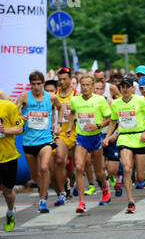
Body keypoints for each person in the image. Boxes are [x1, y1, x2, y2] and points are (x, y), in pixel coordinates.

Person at [103, 77, 145, 213]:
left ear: (132, 88)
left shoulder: (139, 100)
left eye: (127, 86)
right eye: (123, 87)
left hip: (140, 138)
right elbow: (113, 121)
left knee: (140, 176)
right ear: (120, 89)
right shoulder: (116, 104)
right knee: (127, 169)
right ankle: (130, 201)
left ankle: (141, 178)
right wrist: (108, 136)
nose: (125, 89)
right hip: (124, 139)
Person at [16, 71, 64, 212]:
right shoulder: (25, 96)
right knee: (36, 176)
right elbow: (15, 110)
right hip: (28, 141)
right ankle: (43, 188)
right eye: (33, 84)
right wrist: (20, 117)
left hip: (45, 139)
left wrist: (59, 124)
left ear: (43, 83)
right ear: (30, 84)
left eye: (39, 84)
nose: (36, 87)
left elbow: (60, 107)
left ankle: (42, 200)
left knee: (44, 168)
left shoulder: (51, 97)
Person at [67, 75, 112, 213]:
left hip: (96, 137)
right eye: (83, 85)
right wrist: (70, 127)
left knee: (99, 172)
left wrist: (97, 125)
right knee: (79, 167)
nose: (85, 87)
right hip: (81, 138)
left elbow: (109, 118)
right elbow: (72, 113)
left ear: (92, 86)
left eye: (88, 85)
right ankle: (81, 202)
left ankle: (105, 189)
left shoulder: (100, 100)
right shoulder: (75, 100)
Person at [54, 67, 78, 202]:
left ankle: (72, 180)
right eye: (60, 79)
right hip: (61, 133)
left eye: (64, 79)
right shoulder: (55, 96)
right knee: (59, 160)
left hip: (76, 132)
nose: (62, 82)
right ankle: (62, 191)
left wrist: (74, 116)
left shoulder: (76, 94)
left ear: (70, 79)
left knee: (76, 164)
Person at [0, 99, 25, 232]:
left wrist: (5, 130)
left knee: (7, 191)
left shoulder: (8, 106)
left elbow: (19, 128)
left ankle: (10, 212)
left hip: (7, 157)